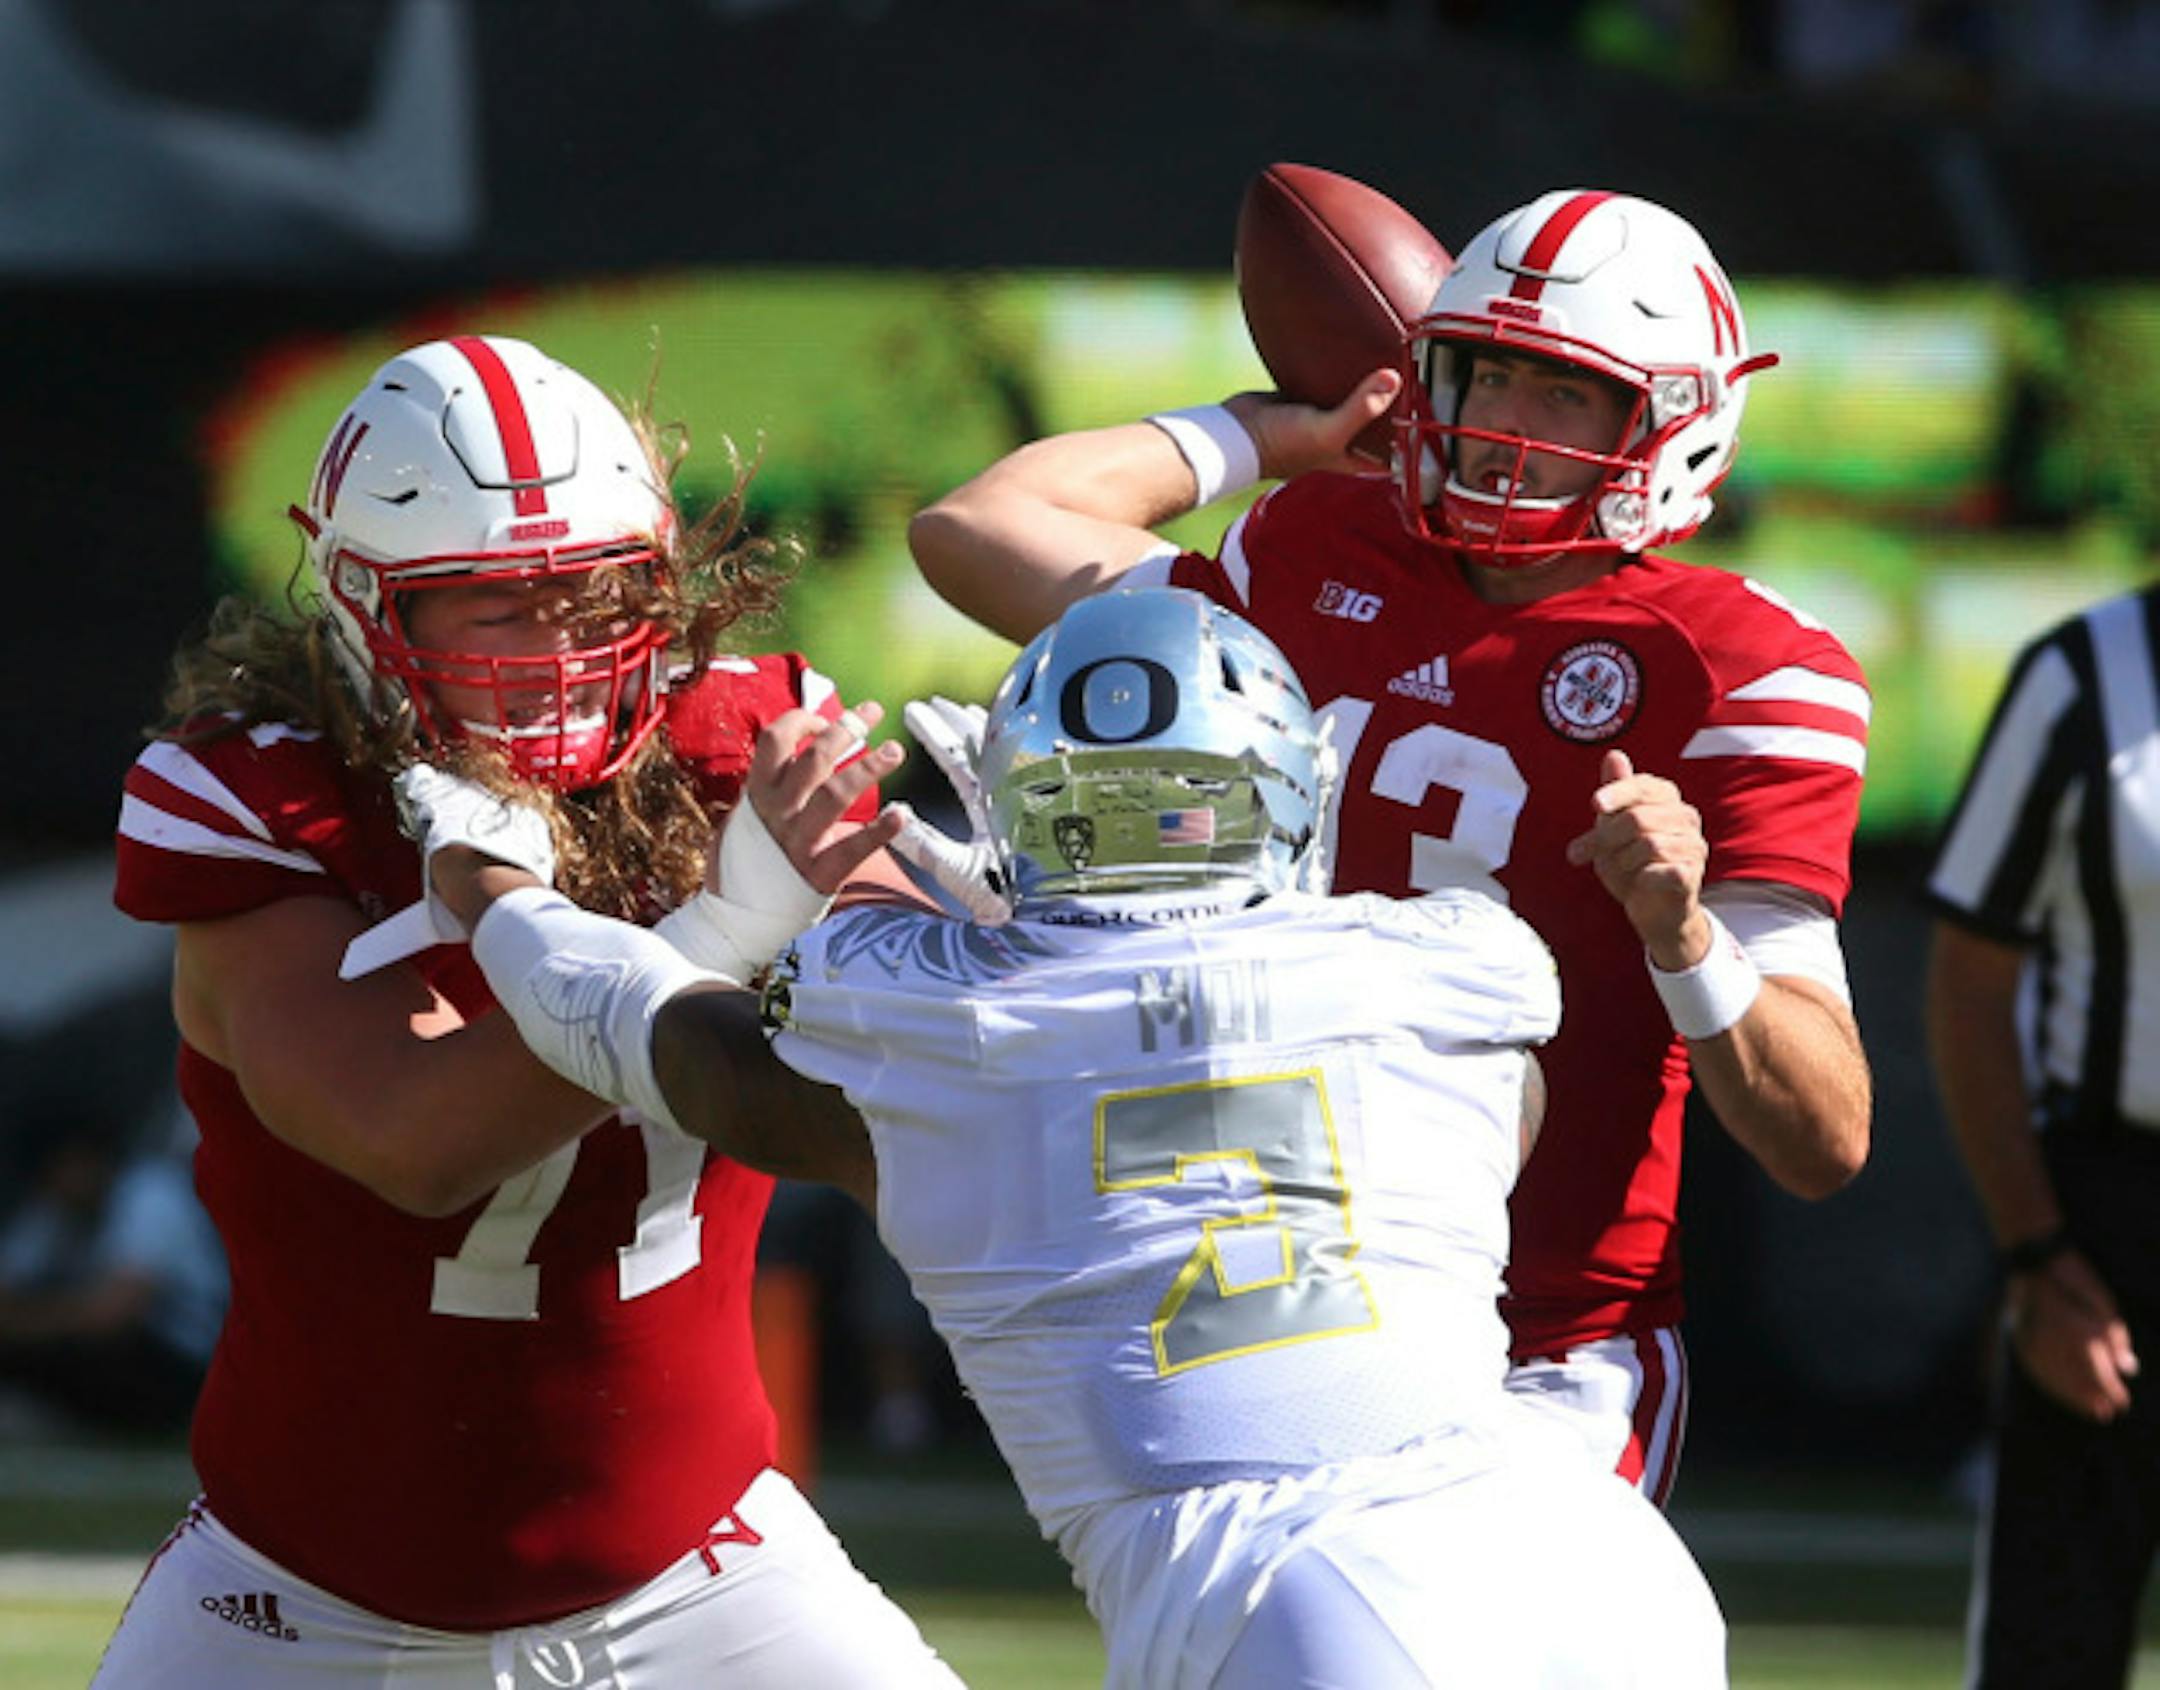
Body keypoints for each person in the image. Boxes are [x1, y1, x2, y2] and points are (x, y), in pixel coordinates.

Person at [414, 587, 1729, 1689]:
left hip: (1294, 1601)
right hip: (1591, 1550)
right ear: (1295, 788)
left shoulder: (936, 1022)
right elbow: (1497, 1119)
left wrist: (488, 883)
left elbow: (654, 1034)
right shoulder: (1447, 963)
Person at [907, 185, 1875, 1502]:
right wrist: (1267, 434)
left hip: (1543, 1340)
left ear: (1675, 421)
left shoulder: (1745, 669)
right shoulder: (1315, 544)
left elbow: (1824, 1135)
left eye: (1564, 394)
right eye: (1485, 375)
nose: (1505, 428)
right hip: (1272, 1294)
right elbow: (977, 529)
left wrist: (1691, 942)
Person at [103, 335, 960, 1685]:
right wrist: (713, 940)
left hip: (706, 1568)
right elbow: (412, 1137)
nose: (559, 648)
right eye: (494, 607)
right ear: (359, 603)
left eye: (593, 595)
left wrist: (1024, 937)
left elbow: (942, 1061)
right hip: (302, 1603)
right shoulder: (261, 802)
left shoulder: (741, 751)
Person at [1925, 582, 2160, 1689]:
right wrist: (2036, 1254)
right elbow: (1969, 986)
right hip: (2112, 1220)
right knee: (2051, 1647)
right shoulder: (2082, 675)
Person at [0, 1100, 226, 1438]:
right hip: (101, 1346)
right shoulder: (56, 1209)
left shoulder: (151, 1194)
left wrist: (23, 1323)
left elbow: (114, 1314)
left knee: (96, 1353)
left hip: (182, 1361)